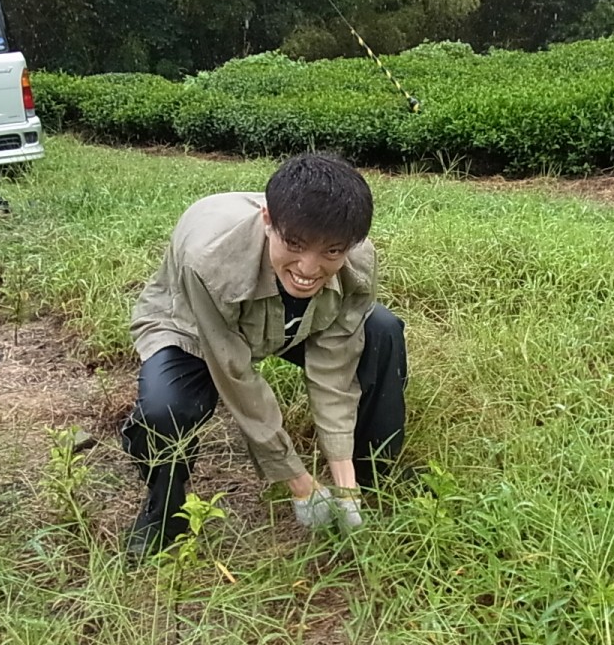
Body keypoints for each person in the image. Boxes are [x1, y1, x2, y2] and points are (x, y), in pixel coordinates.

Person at [121, 152, 407, 559]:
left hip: (292, 324)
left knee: (382, 330)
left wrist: (343, 484)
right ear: (268, 220)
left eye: (331, 251)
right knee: (165, 409)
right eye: (295, 245)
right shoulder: (210, 261)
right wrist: (300, 483)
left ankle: (369, 478)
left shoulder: (356, 263)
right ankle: (165, 512)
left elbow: (335, 369)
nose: (309, 268)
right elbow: (234, 373)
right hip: (195, 328)